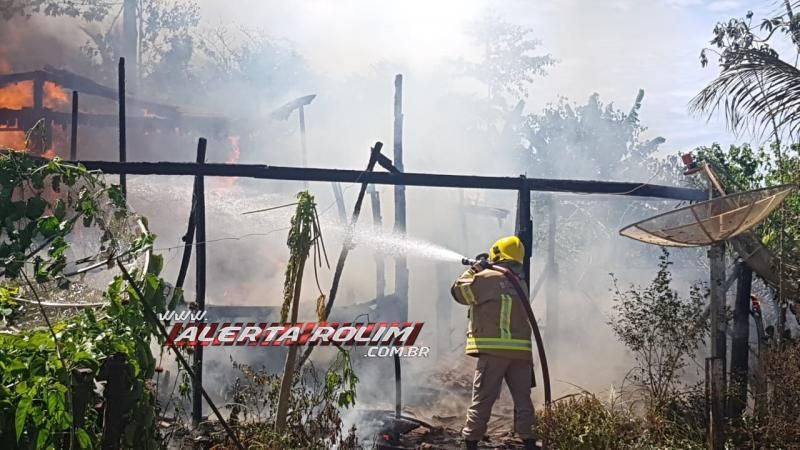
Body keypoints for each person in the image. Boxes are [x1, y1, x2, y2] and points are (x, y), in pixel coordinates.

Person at [451, 236, 537, 450]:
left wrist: (474, 269)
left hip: (495, 350)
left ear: (497, 254)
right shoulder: (520, 281)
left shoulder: (488, 277)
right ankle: (529, 440)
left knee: (483, 398)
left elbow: (459, 292)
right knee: (523, 400)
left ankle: (470, 441)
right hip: (521, 352)